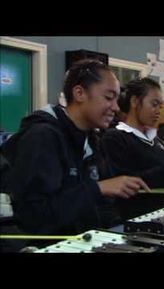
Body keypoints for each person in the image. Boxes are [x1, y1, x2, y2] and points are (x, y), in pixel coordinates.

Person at [1, 59, 150, 237]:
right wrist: (98, 188)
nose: (116, 107)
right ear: (79, 93)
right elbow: (35, 218)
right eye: (109, 97)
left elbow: (102, 204)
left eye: (117, 100)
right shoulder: (42, 137)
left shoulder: (90, 138)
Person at [101, 78, 164, 189]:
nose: (158, 111)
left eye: (160, 107)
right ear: (135, 101)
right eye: (154, 105)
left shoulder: (152, 138)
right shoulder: (115, 138)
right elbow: (127, 183)